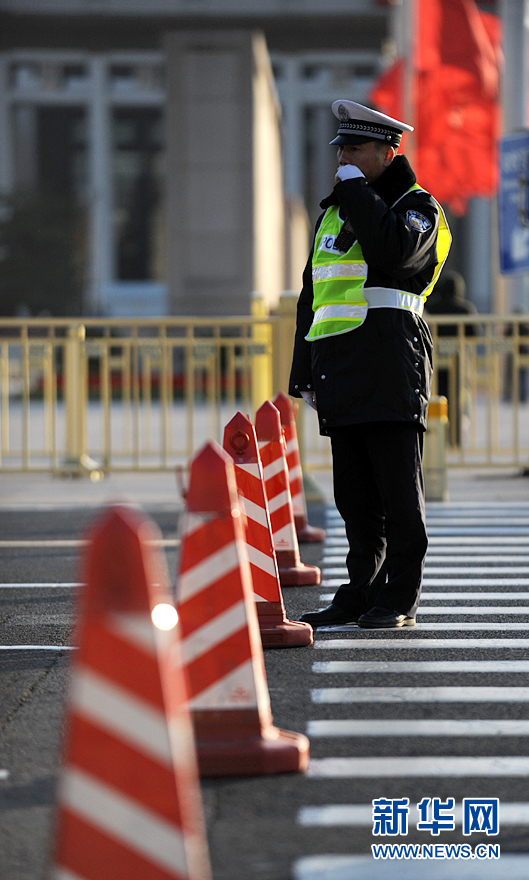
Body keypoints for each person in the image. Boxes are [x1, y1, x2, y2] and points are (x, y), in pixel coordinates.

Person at [289, 100, 451, 629]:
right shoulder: (334, 213)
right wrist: (303, 372)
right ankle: (360, 592)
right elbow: (313, 296)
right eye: (341, 149)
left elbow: (392, 253)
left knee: (397, 494)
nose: (343, 159)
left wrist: (357, 191)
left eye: (355, 149)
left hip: (390, 362)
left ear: (387, 152)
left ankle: (399, 597)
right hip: (338, 365)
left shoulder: (418, 208)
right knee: (354, 498)